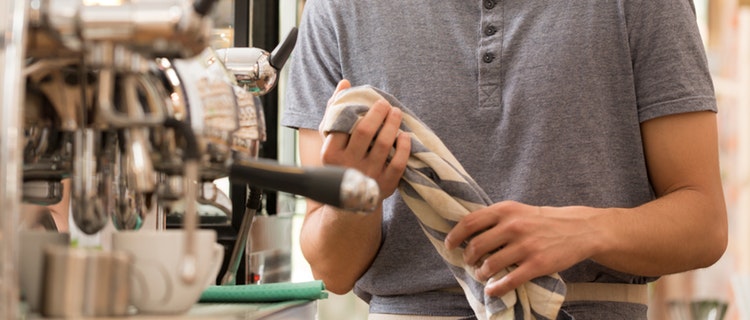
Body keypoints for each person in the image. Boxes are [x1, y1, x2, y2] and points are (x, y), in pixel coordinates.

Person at [280, 0, 728, 319]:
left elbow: (704, 224)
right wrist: (360, 195)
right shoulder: (335, 10)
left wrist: (586, 230)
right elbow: (331, 270)